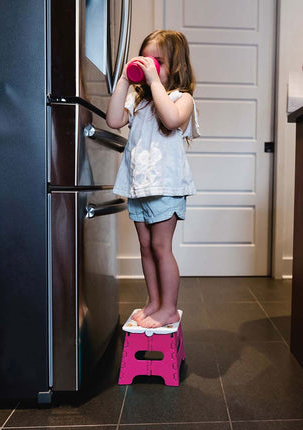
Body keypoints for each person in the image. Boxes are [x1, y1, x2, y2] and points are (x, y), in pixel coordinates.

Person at [106, 30, 200, 328]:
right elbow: (113, 120)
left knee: (161, 247)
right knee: (145, 248)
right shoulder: (138, 99)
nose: (150, 66)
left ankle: (169, 308)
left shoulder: (181, 99)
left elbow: (171, 120)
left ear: (178, 66)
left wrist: (155, 82)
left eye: (158, 61)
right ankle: (155, 302)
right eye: (146, 59)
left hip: (165, 187)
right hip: (139, 186)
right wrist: (124, 80)